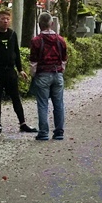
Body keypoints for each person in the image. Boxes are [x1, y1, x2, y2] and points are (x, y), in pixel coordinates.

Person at [0, 9, 36, 134]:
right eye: (3, 19)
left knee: (15, 97)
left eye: (8, 19)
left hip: (10, 71)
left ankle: (22, 123)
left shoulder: (12, 34)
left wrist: (20, 69)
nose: (5, 21)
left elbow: (16, 52)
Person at [29, 12, 66, 141]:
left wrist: (33, 75)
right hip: (57, 73)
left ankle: (43, 132)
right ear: (52, 23)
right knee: (59, 104)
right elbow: (64, 60)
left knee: (43, 104)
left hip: (43, 74)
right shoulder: (60, 40)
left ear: (39, 24)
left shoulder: (36, 41)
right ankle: (59, 132)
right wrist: (60, 71)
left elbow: (33, 62)